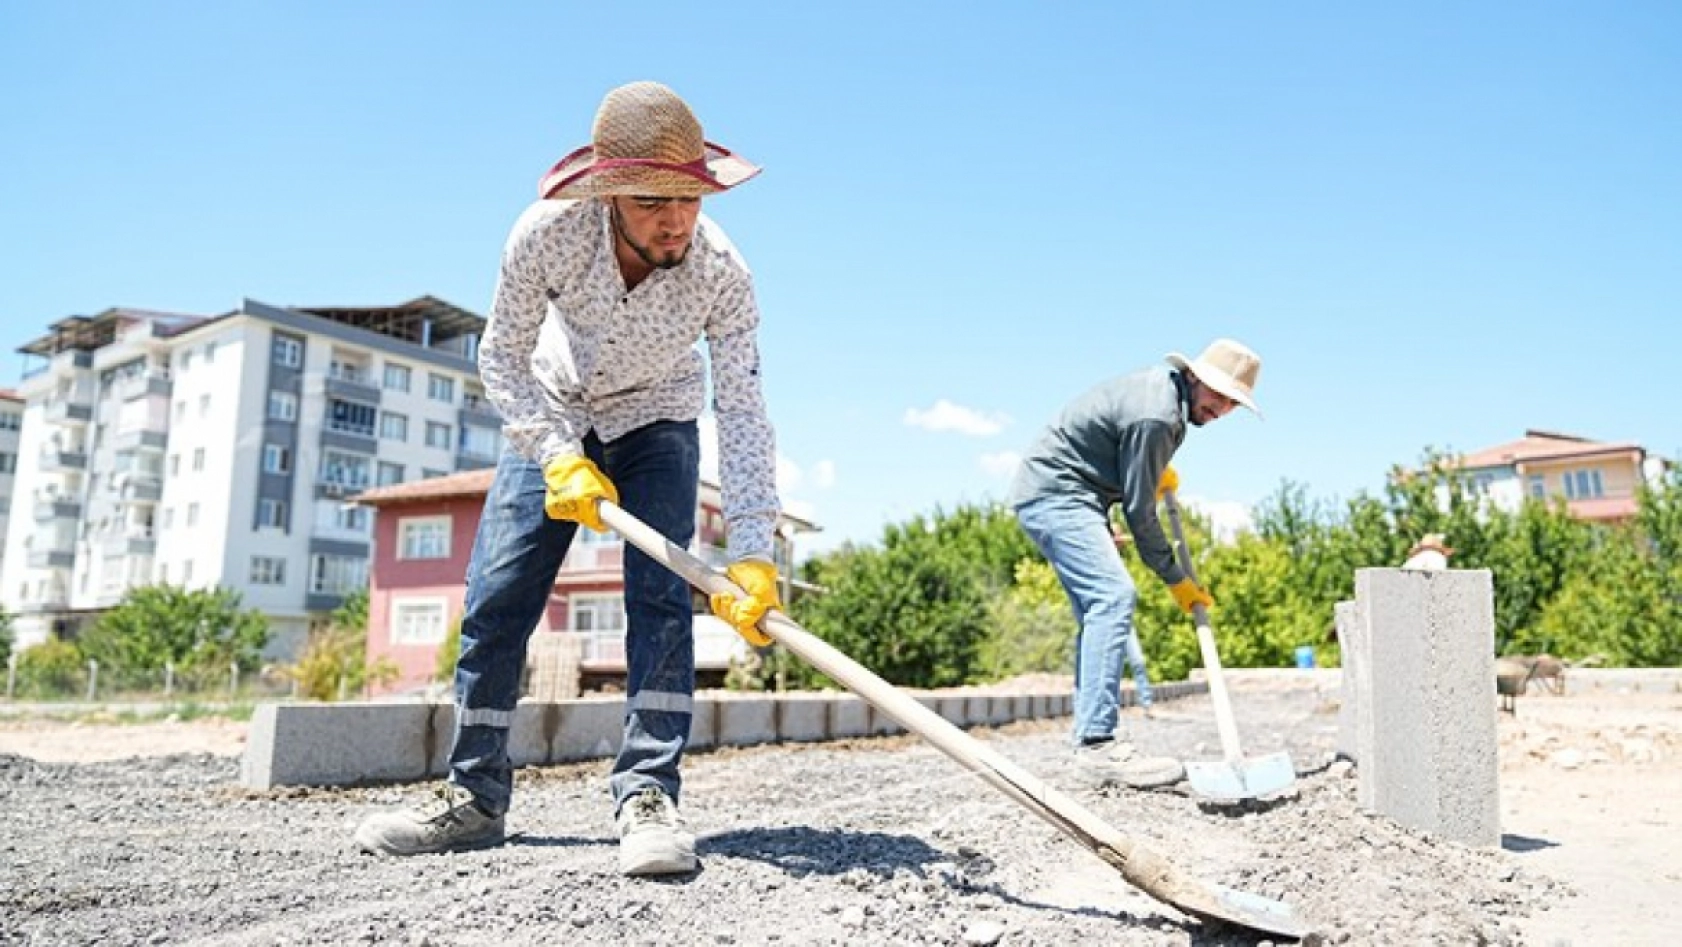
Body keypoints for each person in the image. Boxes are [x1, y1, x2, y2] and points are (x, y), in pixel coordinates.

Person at [354, 81, 783, 876]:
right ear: (609, 191)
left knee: (661, 597)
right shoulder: (545, 233)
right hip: (552, 412)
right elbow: (500, 358)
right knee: (497, 598)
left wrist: (753, 550)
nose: (678, 218)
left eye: (691, 196)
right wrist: (556, 453)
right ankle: (474, 796)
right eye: (654, 199)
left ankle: (648, 794)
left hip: (659, 418)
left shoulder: (723, 272)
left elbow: (747, 410)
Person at [1008, 339, 1262, 782]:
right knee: (1112, 594)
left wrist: (1145, 470)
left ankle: (1090, 737)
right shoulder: (1158, 415)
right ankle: (1097, 746)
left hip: (1073, 494)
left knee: (1097, 610)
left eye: (1232, 403)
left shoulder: (1164, 398)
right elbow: (1141, 515)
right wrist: (1175, 576)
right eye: (1218, 395)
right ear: (1195, 377)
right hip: (1059, 493)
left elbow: (1123, 471)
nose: (1221, 409)